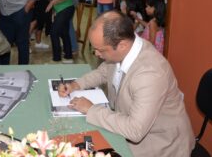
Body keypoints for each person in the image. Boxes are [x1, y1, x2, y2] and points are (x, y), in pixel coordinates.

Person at [58, 11, 195, 156]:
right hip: (128, 127)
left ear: (122, 45)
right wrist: (75, 85)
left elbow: (135, 130)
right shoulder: (126, 48)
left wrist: (91, 109)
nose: (96, 54)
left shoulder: (150, 73)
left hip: (160, 144)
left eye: (100, 50)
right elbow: (103, 72)